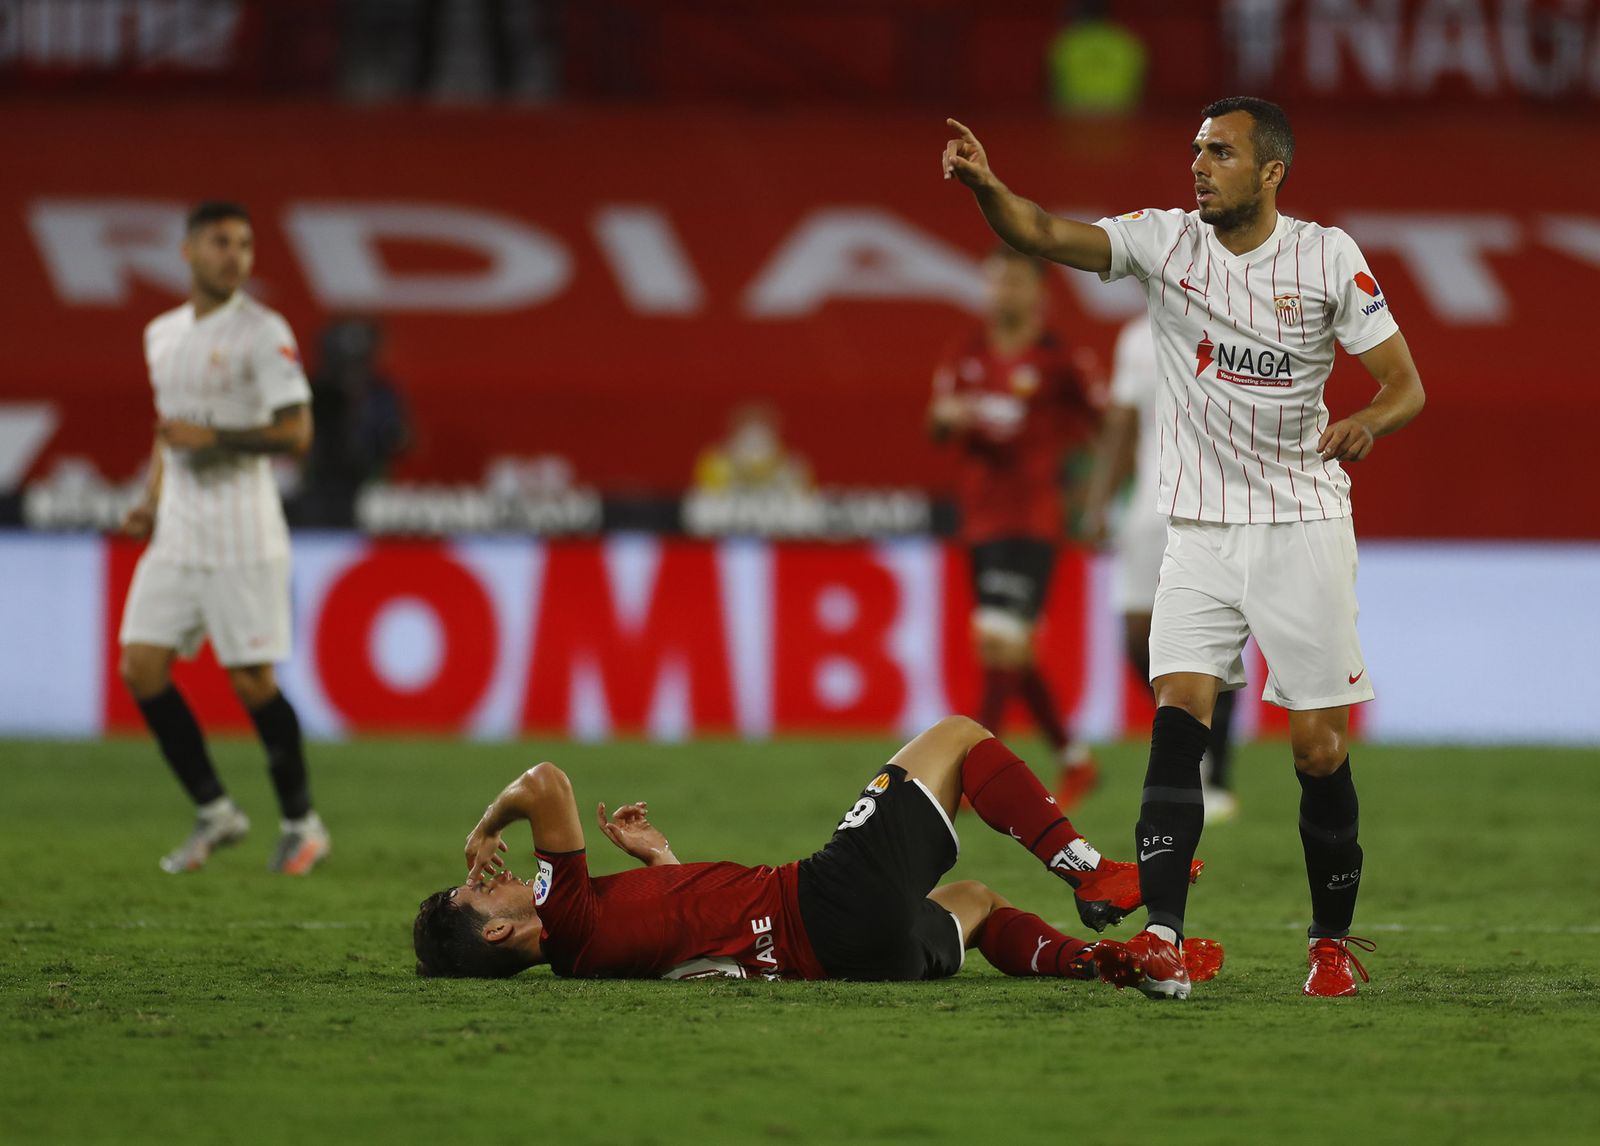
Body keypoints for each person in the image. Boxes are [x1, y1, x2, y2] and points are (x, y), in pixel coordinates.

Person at [942, 96, 1424, 998]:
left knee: (1317, 748)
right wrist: (987, 187)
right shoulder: (1166, 242)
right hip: (1196, 525)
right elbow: (1044, 233)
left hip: (1302, 523)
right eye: (1196, 149)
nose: (1198, 165)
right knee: (1177, 709)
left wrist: (1365, 421)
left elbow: (1405, 386)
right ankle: (1163, 933)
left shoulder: (1329, 258)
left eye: (1222, 153)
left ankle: (1329, 943)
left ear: (1271, 170)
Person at [413, 716, 1212, 984]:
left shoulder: (588, 951)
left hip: (855, 957)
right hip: (824, 901)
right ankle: (1091, 873)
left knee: (975, 902)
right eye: (474, 890)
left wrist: (660, 859)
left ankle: (1085, 962)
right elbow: (546, 781)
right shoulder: (566, 921)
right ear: (494, 933)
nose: (491, 874)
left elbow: (691, 935)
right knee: (961, 740)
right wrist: (488, 822)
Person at [117, 200, 331, 876]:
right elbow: (167, 429)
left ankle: (302, 823)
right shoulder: (161, 334)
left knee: (251, 682)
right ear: (187, 252)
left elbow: (297, 430)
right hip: (178, 532)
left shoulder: (263, 334)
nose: (234, 255)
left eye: (244, 243)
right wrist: (151, 502)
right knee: (140, 666)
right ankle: (215, 810)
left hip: (243, 534)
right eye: (220, 242)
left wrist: (217, 437)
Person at [927, 245, 1102, 809]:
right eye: (995, 282)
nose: (1003, 293)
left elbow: (1104, 423)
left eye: (1015, 284)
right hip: (979, 517)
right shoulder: (965, 351)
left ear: (1038, 294)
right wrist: (948, 417)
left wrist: (1094, 493)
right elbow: (935, 424)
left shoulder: (1059, 359)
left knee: (998, 642)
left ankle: (973, 775)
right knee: (1012, 648)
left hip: (1032, 518)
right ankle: (1074, 758)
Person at [1083, 315, 1240, 824]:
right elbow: (1122, 422)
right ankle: (1190, 744)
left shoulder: (1233, 317)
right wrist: (1099, 499)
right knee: (1136, 637)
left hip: (1215, 503)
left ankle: (1212, 773)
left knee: (1213, 640)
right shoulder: (1135, 335)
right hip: (1149, 507)